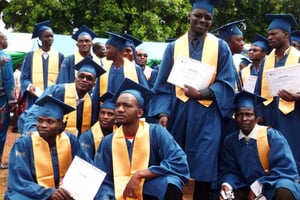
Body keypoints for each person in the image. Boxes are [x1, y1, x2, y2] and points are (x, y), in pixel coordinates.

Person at [149, 0, 236, 199]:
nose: (203, 20)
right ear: (189, 16)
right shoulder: (173, 47)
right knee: (174, 162)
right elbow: (162, 85)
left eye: (208, 18)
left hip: (207, 114)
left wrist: (202, 94)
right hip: (178, 112)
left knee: (204, 165)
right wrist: (163, 112)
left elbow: (227, 82)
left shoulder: (221, 47)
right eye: (198, 15)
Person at [94, 78, 190, 200]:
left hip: (149, 188)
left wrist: (140, 174)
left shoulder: (156, 132)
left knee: (171, 183)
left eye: (127, 106)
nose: (120, 109)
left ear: (139, 113)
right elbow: (102, 177)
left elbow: (178, 162)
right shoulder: (108, 141)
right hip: (118, 191)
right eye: (117, 105)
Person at [218, 91, 300, 200]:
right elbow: (230, 170)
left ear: (256, 117)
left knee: (284, 190)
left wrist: (259, 185)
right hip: (246, 185)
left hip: (273, 183)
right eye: (239, 115)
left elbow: (285, 170)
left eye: (249, 114)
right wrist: (227, 184)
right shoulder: (231, 141)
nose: (244, 119)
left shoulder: (271, 136)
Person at [5, 95, 88, 200]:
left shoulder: (70, 140)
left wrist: (70, 186)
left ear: (62, 125)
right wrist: (48, 193)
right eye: (40, 120)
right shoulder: (24, 144)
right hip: (32, 193)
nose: (43, 125)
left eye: (50, 121)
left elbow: (85, 167)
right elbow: (19, 180)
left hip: (63, 192)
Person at [256, 13, 300, 173]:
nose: (269, 37)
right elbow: (257, 90)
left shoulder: (298, 58)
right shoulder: (266, 61)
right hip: (269, 115)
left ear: (286, 35)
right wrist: (259, 113)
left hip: (293, 116)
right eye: (268, 34)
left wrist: (297, 97)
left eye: (273, 34)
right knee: (270, 153)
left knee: (293, 152)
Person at [18, 57, 105, 137]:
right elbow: (35, 112)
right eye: (81, 76)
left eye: (89, 78)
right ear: (75, 78)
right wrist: (33, 132)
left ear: (94, 84)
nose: (84, 80)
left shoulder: (90, 101)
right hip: (44, 136)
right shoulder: (56, 90)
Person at [91, 32, 149, 124]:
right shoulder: (104, 69)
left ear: (117, 50)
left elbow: (144, 93)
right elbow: (96, 96)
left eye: (108, 48)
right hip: (107, 116)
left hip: (127, 117)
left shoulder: (135, 69)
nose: (105, 51)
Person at [20, 20, 65, 109]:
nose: (50, 39)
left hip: (54, 98)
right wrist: (29, 86)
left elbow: (62, 78)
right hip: (34, 98)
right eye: (46, 36)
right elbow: (24, 77)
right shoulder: (30, 56)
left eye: (51, 36)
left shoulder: (60, 56)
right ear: (40, 38)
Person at [79, 92, 116, 162]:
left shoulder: (119, 133)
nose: (105, 117)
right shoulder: (87, 136)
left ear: (116, 117)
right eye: (102, 113)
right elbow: (84, 160)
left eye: (110, 114)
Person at [0, 32, 17, 169]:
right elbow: (9, 80)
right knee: (0, 131)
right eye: (5, 38)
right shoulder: (5, 58)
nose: (7, 41)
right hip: (1, 101)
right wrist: (12, 100)